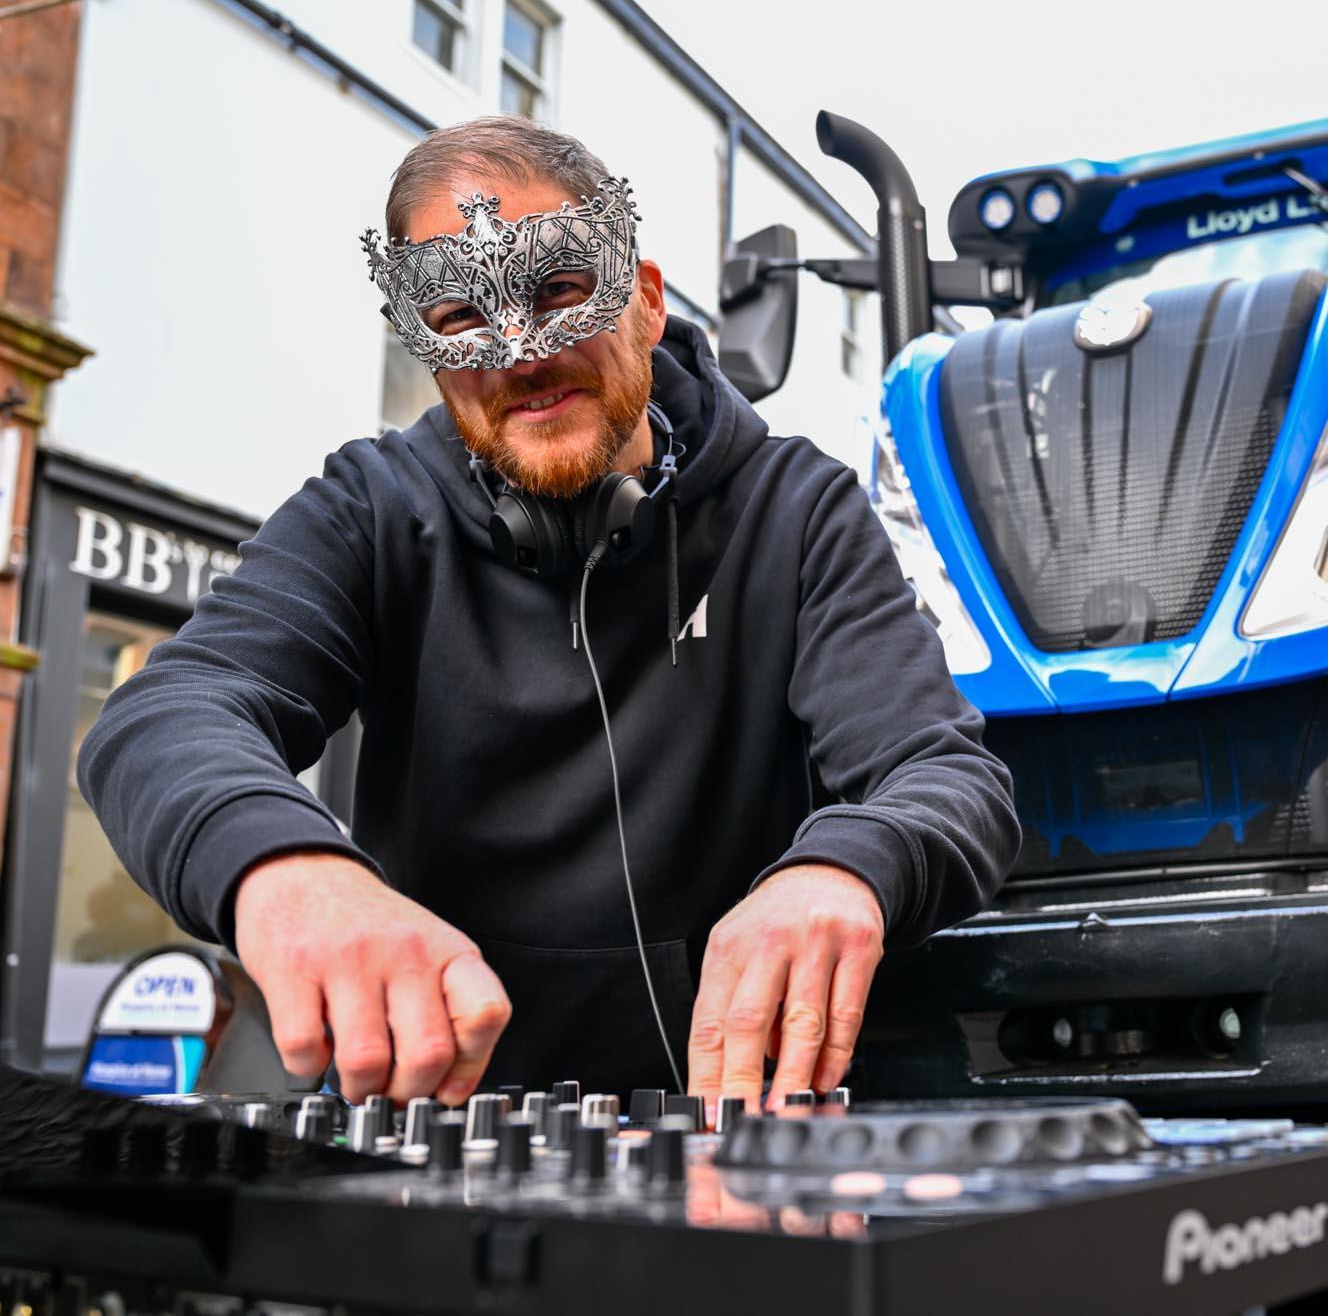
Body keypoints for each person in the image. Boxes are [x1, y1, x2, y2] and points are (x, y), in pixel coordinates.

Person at [77, 116, 1019, 1113]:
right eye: (459, 316)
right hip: (440, 1158)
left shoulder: (796, 511)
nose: (519, 353)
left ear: (647, 303)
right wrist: (283, 863)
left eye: (560, 289)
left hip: (747, 1144)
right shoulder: (371, 508)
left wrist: (844, 869)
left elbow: (944, 773)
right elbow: (165, 712)